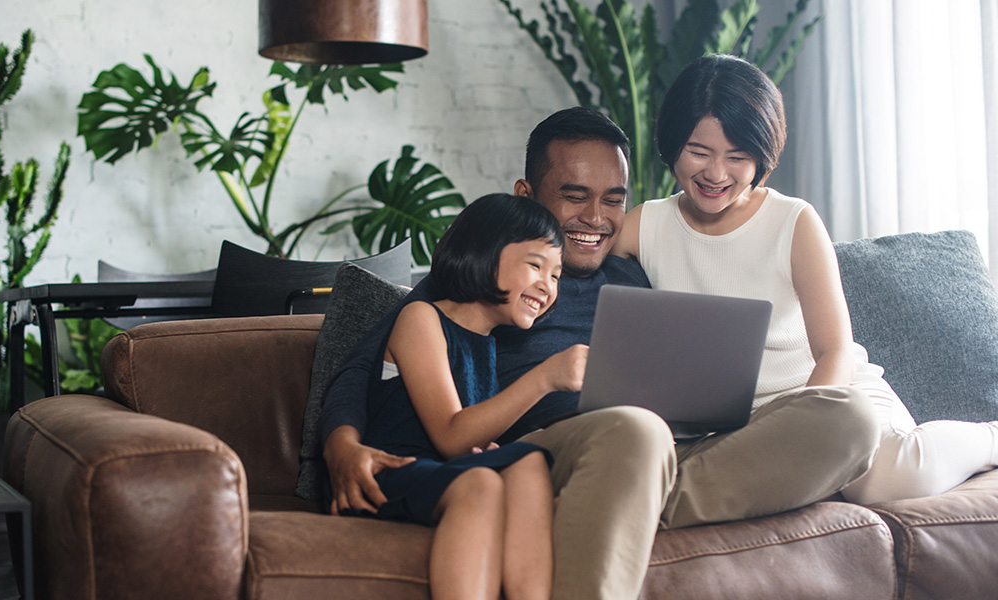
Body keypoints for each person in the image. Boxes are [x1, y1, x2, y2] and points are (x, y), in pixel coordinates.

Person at [322, 105, 878, 599]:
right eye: (574, 196)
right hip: (566, 451)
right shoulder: (494, 276)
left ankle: (630, 501)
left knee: (850, 418)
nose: (596, 218)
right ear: (527, 197)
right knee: (634, 430)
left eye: (613, 199)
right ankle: (622, 493)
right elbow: (362, 360)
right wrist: (342, 447)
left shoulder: (634, 271)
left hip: (673, 450)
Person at [615, 53, 998, 505]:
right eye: (699, 152)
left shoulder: (793, 221)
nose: (716, 174)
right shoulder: (644, 227)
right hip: (734, 426)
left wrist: (807, 429)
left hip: (830, 398)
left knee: (880, 480)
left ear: (762, 157)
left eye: (737, 157)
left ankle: (991, 437)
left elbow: (835, 351)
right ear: (672, 143)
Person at [355, 193, 583, 600]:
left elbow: (467, 440)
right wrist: (546, 377)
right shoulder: (421, 318)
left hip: (438, 475)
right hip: (389, 473)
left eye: (556, 275)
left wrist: (486, 448)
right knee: (481, 483)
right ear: (484, 253)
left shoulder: (487, 345)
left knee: (527, 461)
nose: (548, 285)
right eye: (535, 265)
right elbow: (450, 434)